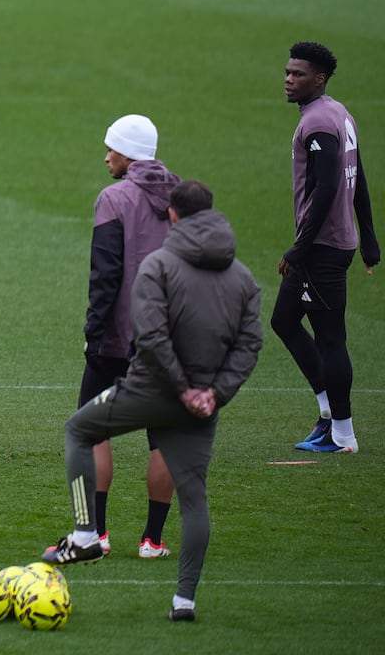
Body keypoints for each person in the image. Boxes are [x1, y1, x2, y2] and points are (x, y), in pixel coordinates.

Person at [42, 180, 262, 623]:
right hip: (201, 408)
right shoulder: (243, 277)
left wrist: (179, 388)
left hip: (149, 391)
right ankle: (184, 600)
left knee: (80, 429)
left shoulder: (159, 265)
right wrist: (213, 394)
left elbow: (150, 336)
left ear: (173, 216)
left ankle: (86, 532)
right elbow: (249, 344)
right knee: (194, 499)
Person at [80, 114, 180, 559]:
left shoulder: (114, 198)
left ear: (128, 153)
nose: (106, 156)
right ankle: (153, 541)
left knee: (88, 431)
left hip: (118, 337)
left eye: (111, 149)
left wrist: (93, 331)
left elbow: (105, 274)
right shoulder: (183, 198)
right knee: (164, 437)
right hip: (171, 339)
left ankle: (93, 534)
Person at [272, 42, 378, 454]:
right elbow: (359, 174)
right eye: (287, 72)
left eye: (298, 74)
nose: (288, 79)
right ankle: (328, 414)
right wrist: (368, 237)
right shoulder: (338, 112)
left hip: (322, 248)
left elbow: (329, 186)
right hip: (332, 242)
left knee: (331, 339)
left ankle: (344, 436)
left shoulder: (317, 122)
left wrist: (300, 248)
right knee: (284, 320)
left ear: (320, 79)